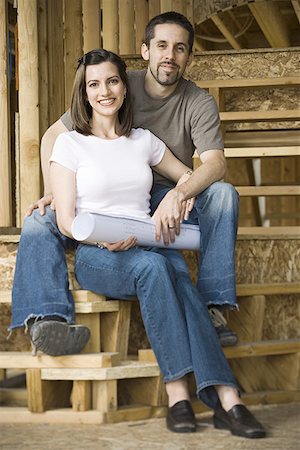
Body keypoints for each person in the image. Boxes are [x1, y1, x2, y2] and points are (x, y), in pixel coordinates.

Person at [49, 48, 265, 438]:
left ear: (124, 88)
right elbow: (66, 220)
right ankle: (178, 392)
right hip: (98, 254)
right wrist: (103, 239)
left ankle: (229, 398)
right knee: (155, 267)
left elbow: (192, 179)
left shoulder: (142, 141)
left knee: (175, 272)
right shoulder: (70, 145)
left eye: (112, 81)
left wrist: (176, 195)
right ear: (83, 93)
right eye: (93, 85)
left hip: (148, 242)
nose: (104, 91)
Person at [27, 11, 239, 347]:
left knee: (224, 194)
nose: (170, 55)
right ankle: (48, 319)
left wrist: (180, 193)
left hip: (167, 192)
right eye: (162, 46)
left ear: (189, 56)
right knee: (38, 221)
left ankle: (213, 306)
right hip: (103, 191)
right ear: (146, 51)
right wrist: (53, 190)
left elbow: (215, 165)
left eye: (180, 48)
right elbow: (54, 134)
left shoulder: (198, 102)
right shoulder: (119, 86)